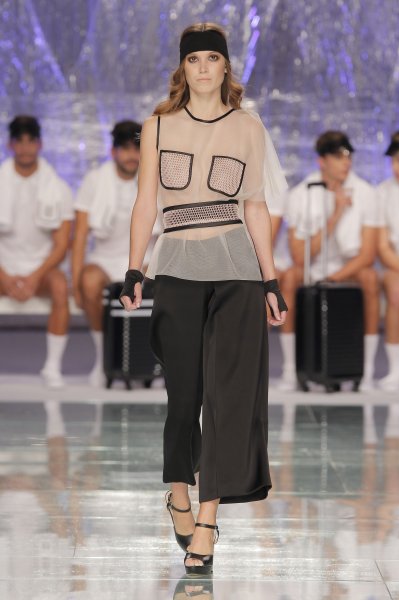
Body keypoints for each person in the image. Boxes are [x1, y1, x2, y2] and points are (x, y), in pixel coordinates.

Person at [119, 23, 288, 575]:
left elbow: (255, 206)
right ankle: (178, 492)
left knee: (225, 399)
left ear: (226, 66)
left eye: (213, 58)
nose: (204, 68)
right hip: (177, 267)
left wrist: (270, 281)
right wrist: (134, 268)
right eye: (195, 59)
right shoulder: (158, 125)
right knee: (184, 395)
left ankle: (208, 521)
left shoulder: (248, 127)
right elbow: (146, 202)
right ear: (183, 67)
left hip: (237, 270)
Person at [278, 131, 381, 392]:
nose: (346, 162)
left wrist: (333, 277)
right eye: (338, 157)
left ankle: (367, 372)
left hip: (347, 268)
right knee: (289, 278)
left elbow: (367, 254)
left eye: (348, 157)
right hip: (312, 267)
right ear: (322, 161)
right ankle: (290, 370)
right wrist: (335, 215)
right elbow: (299, 256)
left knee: (370, 278)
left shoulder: (366, 192)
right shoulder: (302, 194)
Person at [72, 120, 161, 386]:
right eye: (125, 149)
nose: (132, 155)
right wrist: (75, 283)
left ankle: (155, 361)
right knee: (89, 281)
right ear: (113, 152)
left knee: (162, 282)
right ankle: (104, 359)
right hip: (105, 259)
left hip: (145, 260)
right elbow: (80, 237)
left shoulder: (155, 178)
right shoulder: (94, 180)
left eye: (136, 149)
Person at [0, 116, 74, 388]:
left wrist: (34, 277)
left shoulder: (58, 187)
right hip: (3, 268)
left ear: (40, 144)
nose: (25, 148)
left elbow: (62, 244)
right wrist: (5, 277)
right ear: (10, 145)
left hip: (41, 270)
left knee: (59, 286)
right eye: (19, 141)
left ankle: (52, 367)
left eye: (31, 141)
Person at [377, 132, 399, 392]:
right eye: (393, 161)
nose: (396, 167)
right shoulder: (383, 192)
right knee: (396, 292)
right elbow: (383, 246)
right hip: (396, 263)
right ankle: (396, 369)